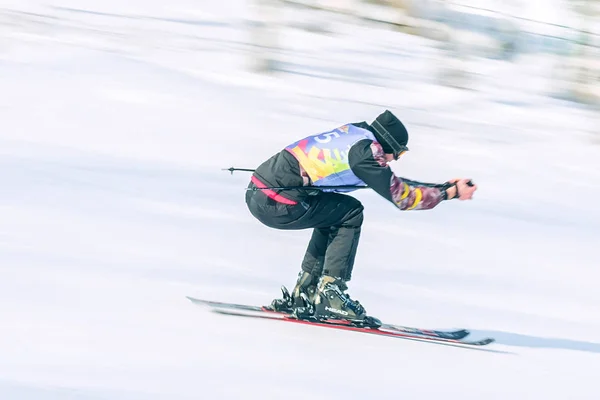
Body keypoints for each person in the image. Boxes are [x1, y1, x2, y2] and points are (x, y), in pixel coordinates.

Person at [244, 110, 477, 325]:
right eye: (398, 152)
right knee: (350, 213)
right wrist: (448, 193)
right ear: (387, 144)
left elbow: (392, 183)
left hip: (260, 193)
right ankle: (331, 294)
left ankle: (305, 292)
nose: (396, 159)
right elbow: (402, 197)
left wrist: (446, 188)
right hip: (277, 202)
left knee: (335, 211)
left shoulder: (356, 135)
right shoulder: (366, 154)